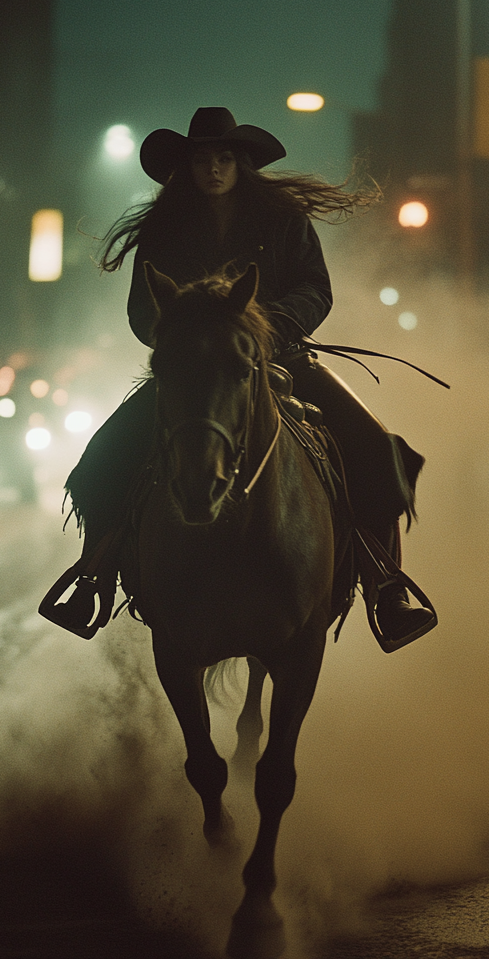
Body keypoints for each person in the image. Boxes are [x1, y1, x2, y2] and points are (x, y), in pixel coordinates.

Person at [54, 107, 436, 651]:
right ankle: (95, 575)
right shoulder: (163, 228)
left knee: (376, 449)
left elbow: (315, 289)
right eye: (202, 159)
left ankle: (385, 586)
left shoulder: (284, 218)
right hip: (191, 374)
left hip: (283, 360)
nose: (212, 168)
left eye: (223, 158)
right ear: (186, 166)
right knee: (103, 457)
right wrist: (184, 335)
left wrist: (270, 327)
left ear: (241, 163)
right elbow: (144, 310)